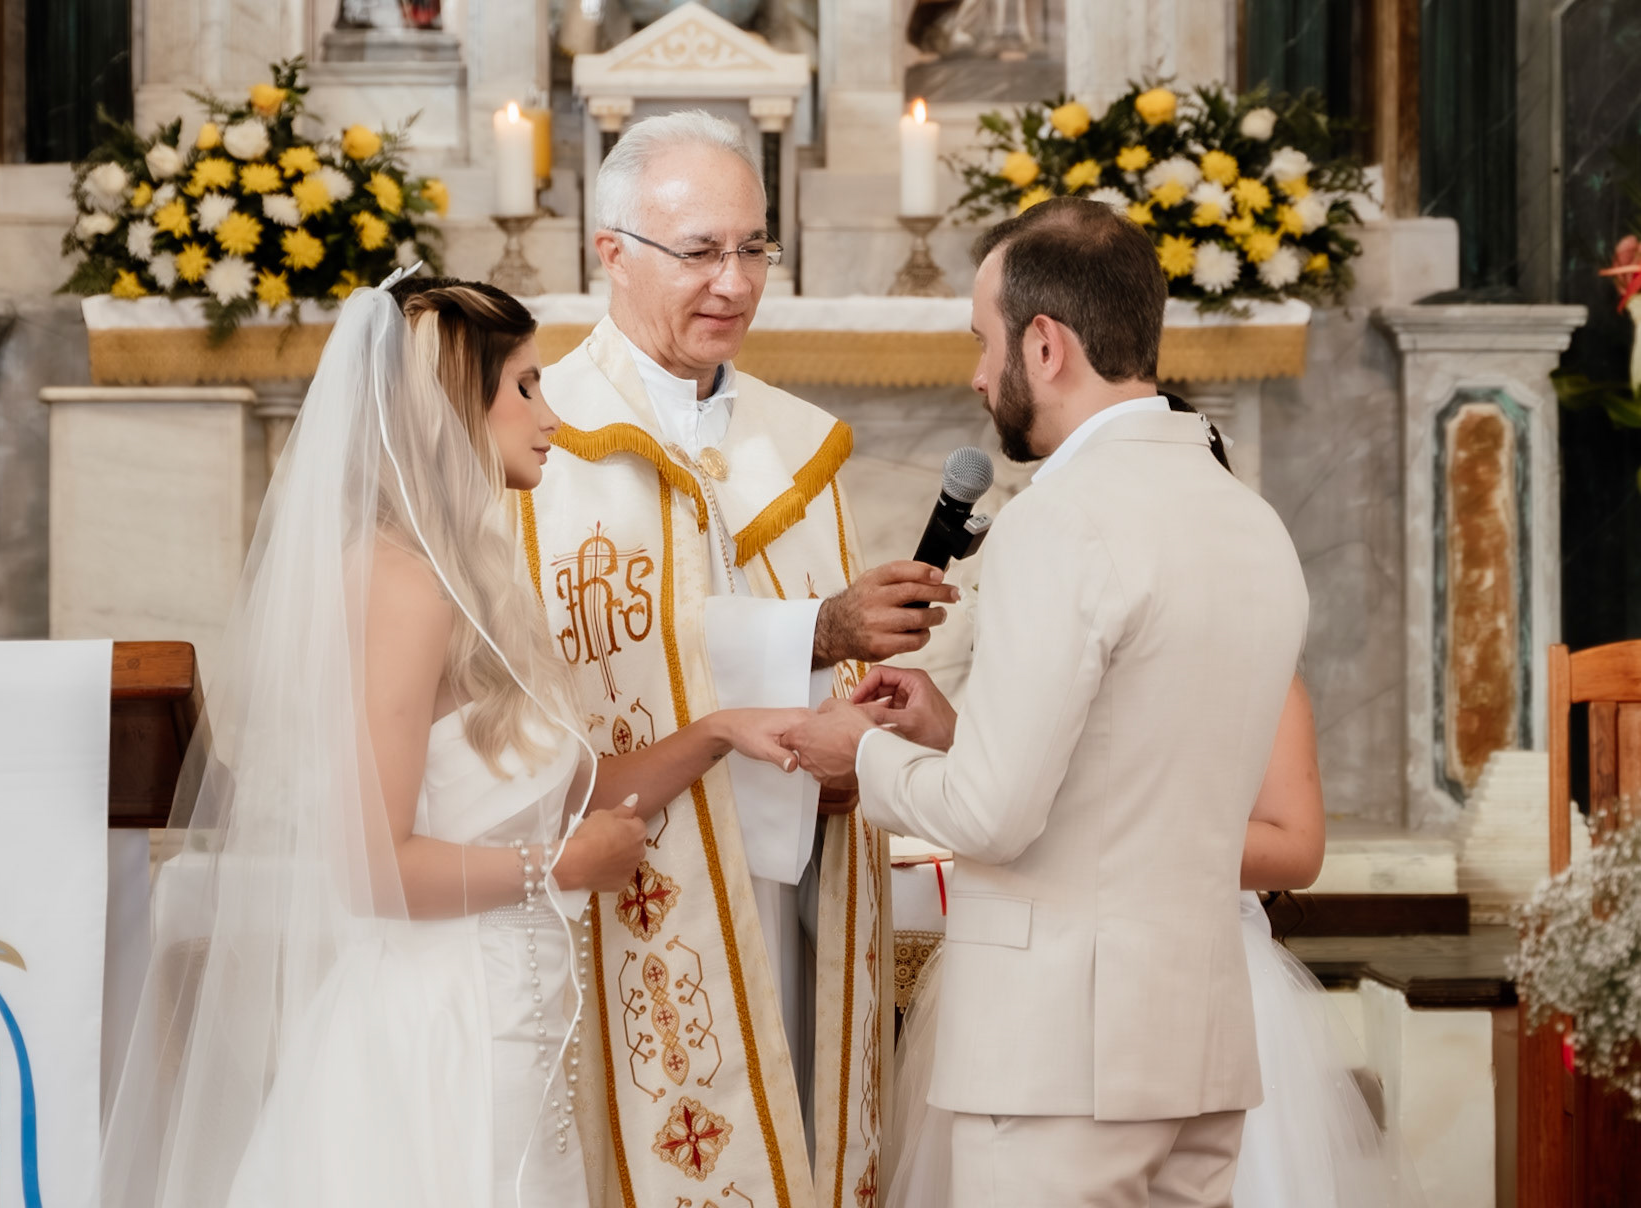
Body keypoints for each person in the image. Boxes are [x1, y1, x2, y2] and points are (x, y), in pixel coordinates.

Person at [98, 278, 810, 1208]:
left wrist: (718, 732)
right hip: (444, 1035)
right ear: (451, 407)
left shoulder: (466, 577)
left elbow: (573, 789)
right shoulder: (402, 585)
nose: (552, 417)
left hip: (512, 1020)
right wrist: (560, 868)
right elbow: (372, 868)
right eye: (525, 386)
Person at [783, 196, 1310, 1207]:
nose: (978, 375)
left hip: (1060, 1059)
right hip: (1199, 1046)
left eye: (984, 344)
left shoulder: (1059, 519)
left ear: (1043, 343)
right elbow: (1137, 766)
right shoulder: (1251, 522)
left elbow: (993, 816)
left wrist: (862, 750)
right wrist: (953, 730)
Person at [514, 109, 951, 1205]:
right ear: (611, 252)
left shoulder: (795, 444)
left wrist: (855, 734)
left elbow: (819, 658)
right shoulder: (540, 444)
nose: (735, 282)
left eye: (754, 247)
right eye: (700, 250)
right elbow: (578, 669)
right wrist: (817, 631)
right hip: (636, 874)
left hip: (792, 873)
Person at [883, 670, 1423, 1206]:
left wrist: (1122, 832)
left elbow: (1296, 848)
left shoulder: (1264, 671)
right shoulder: (1065, 649)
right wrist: (956, 734)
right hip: (1041, 970)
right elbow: (1021, 789)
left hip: (1203, 974)